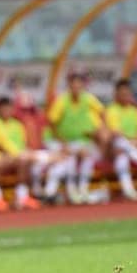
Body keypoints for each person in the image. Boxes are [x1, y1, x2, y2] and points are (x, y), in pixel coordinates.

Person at [47, 73, 110, 204]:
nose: (76, 87)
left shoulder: (87, 99)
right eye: (73, 85)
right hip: (62, 142)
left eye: (78, 85)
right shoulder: (62, 101)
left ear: (82, 86)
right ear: (69, 86)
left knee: (87, 156)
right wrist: (62, 142)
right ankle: (67, 191)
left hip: (81, 142)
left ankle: (82, 189)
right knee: (71, 159)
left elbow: (102, 111)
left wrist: (102, 128)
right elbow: (52, 122)